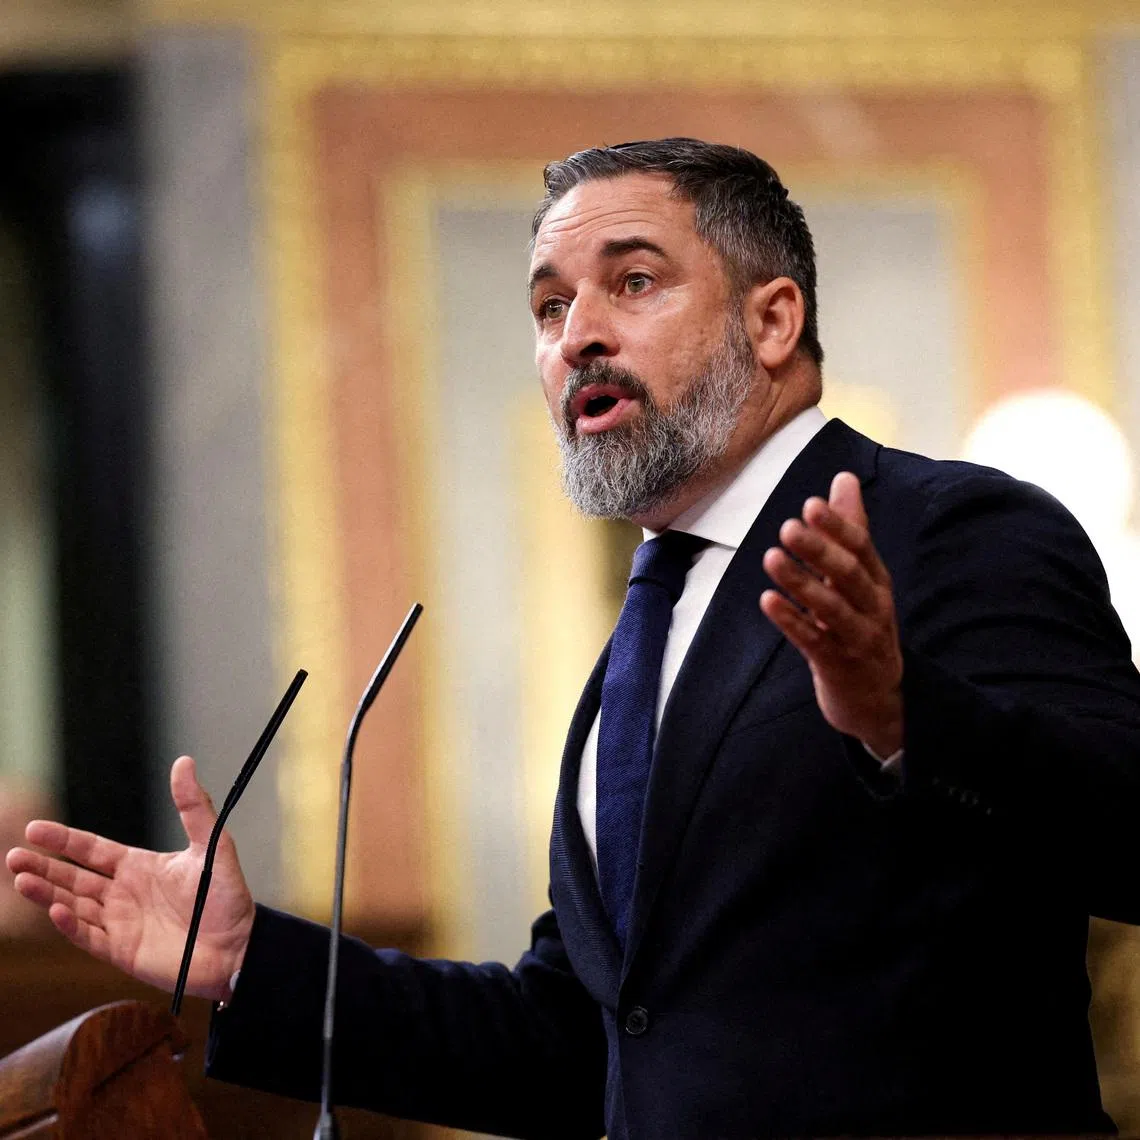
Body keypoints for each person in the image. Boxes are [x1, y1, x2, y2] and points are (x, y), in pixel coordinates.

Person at [9, 138, 1140, 1139]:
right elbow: (582, 1042)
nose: (578, 336)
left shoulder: (951, 529)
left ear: (773, 317)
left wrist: (906, 717)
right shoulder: (641, 650)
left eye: (633, 282)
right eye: (550, 310)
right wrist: (253, 966)